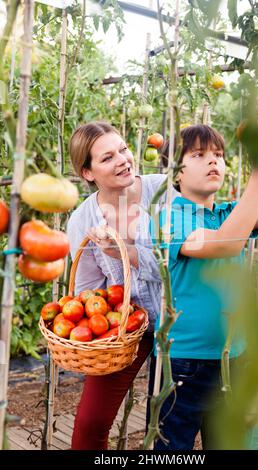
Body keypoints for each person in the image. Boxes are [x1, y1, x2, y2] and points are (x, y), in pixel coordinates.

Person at [149, 124, 258, 450]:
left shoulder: (228, 214)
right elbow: (224, 244)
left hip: (233, 358)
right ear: (175, 172)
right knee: (172, 448)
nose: (213, 161)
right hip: (182, 366)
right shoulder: (168, 217)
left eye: (218, 154)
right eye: (199, 155)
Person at [66, 121, 178, 450]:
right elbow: (88, 291)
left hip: (178, 319)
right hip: (126, 327)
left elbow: (186, 262)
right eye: (108, 157)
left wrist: (126, 253)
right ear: (87, 173)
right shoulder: (83, 221)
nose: (124, 160)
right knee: (91, 421)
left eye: (124, 150)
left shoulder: (166, 191)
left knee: (169, 420)